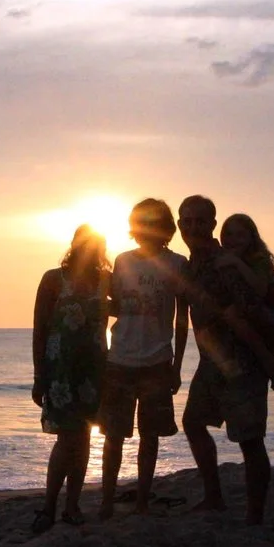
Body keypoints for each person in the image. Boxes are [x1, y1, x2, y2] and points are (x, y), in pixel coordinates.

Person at [176, 197, 274, 523]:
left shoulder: (222, 263)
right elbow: (189, 317)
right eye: (187, 221)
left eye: (201, 221)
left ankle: (254, 517)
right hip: (212, 363)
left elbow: (242, 315)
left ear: (212, 224)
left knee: (250, 441)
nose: (193, 227)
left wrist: (267, 360)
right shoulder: (190, 264)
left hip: (243, 363)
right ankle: (214, 497)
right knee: (193, 423)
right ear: (180, 226)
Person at [96, 199, 188, 521]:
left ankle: (143, 502)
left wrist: (177, 366)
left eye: (154, 222)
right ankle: (107, 500)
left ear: (164, 228)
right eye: (142, 222)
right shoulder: (122, 261)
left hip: (157, 361)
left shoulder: (177, 263)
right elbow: (117, 306)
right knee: (113, 436)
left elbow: (181, 319)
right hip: (119, 358)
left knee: (150, 437)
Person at [30, 225, 109, 532]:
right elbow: (40, 329)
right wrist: (39, 376)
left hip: (93, 370)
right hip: (61, 369)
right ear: (74, 245)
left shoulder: (104, 280)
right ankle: (50, 506)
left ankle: (72, 505)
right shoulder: (53, 279)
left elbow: (119, 306)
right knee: (67, 438)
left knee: (84, 436)